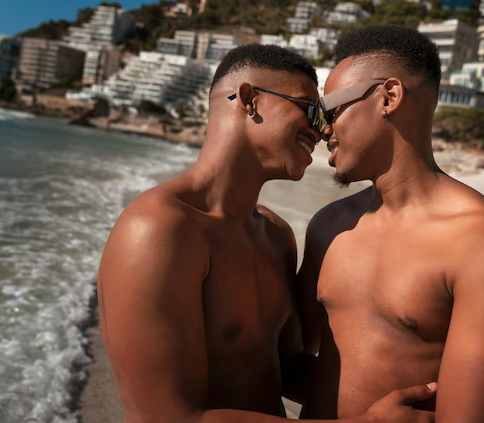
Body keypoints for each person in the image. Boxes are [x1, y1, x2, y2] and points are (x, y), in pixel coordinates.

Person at [97, 44, 436, 423]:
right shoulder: (158, 229)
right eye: (311, 110)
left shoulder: (276, 236)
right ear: (248, 100)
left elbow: (284, 368)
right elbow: (168, 417)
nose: (324, 130)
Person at [297, 25, 484, 423]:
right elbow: (294, 365)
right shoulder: (328, 228)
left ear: (388, 97)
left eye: (330, 109)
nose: (323, 129)